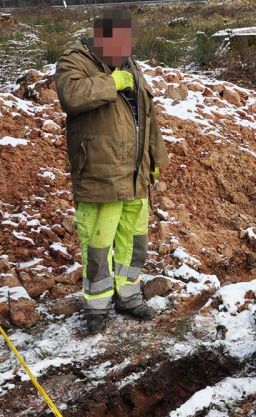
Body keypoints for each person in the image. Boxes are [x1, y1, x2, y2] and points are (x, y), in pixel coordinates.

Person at [54, 9, 169, 335]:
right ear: (100, 38)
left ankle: (128, 297)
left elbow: (148, 116)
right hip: (100, 175)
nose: (124, 48)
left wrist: (154, 158)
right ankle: (97, 306)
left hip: (135, 176)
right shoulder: (74, 61)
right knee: (99, 246)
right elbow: (72, 97)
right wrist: (111, 82)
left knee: (134, 242)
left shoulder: (132, 66)